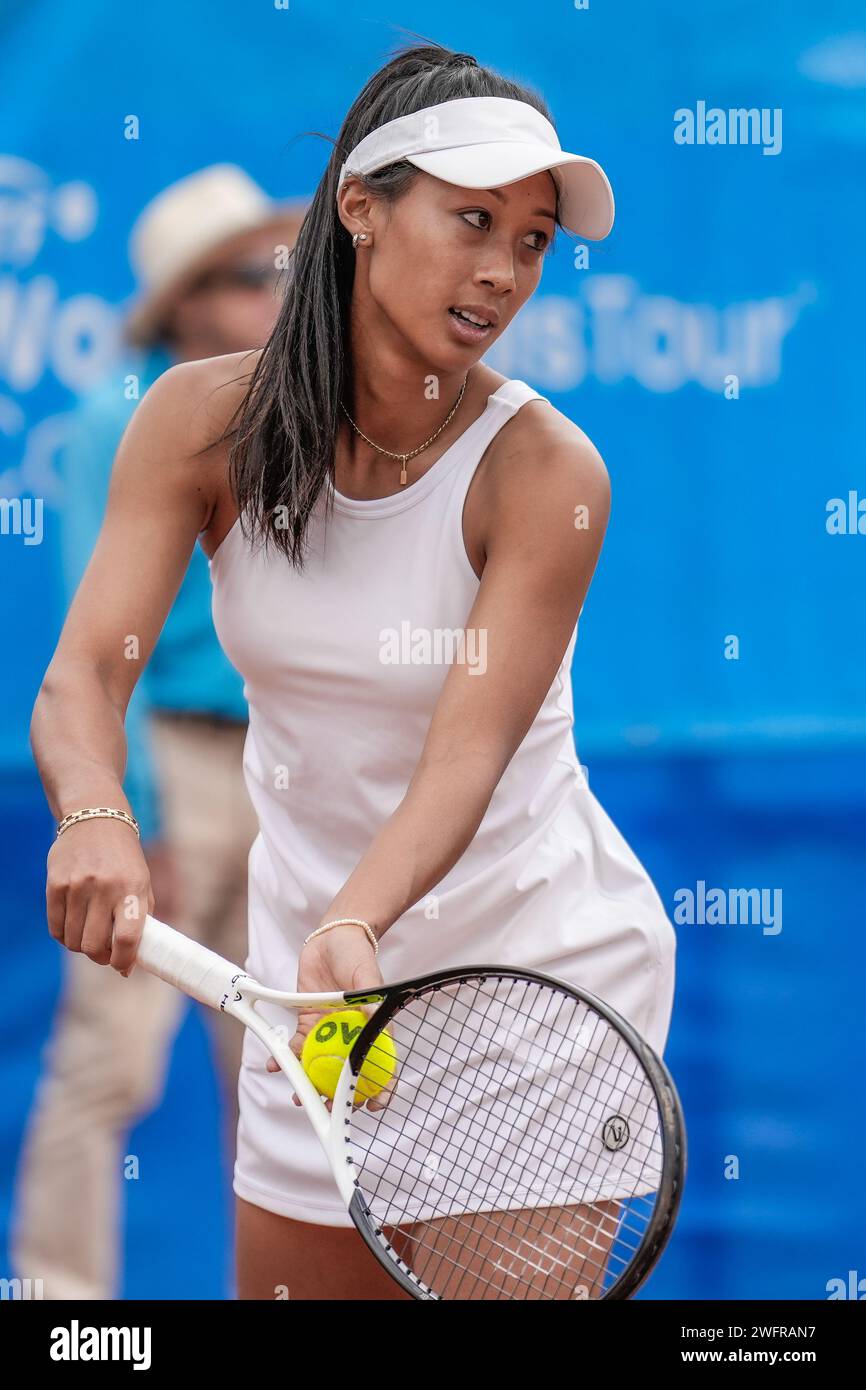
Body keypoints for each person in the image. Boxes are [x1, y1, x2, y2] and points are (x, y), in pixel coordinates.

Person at [30, 41, 677, 1301]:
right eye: (473, 219)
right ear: (361, 209)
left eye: (534, 241)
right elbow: (83, 678)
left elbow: (468, 750)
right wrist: (100, 814)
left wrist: (351, 919)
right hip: (317, 1013)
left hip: (528, 996)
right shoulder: (190, 425)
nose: (502, 270)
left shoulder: (549, 474)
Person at [15, 166, 305, 1299]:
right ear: (183, 301)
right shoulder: (115, 422)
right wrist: (121, 813)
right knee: (109, 1067)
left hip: (286, 772)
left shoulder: (296, 413)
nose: (277, 295)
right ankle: (61, 1308)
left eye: (287, 269)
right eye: (247, 276)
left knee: (284, 1080)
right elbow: (92, 656)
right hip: (169, 766)